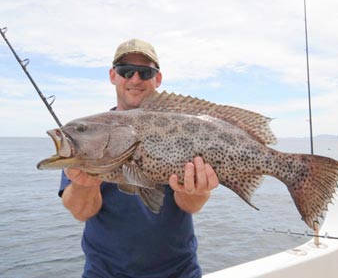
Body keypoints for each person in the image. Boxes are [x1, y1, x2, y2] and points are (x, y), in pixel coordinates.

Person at [59, 38, 219, 278]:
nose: (135, 79)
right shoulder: (91, 135)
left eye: (145, 72)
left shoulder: (179, 126)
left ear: (158, 78)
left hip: (179, 272)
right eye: (126, 71)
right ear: (113, 75)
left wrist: (196, 189)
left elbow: (190, 205)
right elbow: (82, 212)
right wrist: (83, 185)